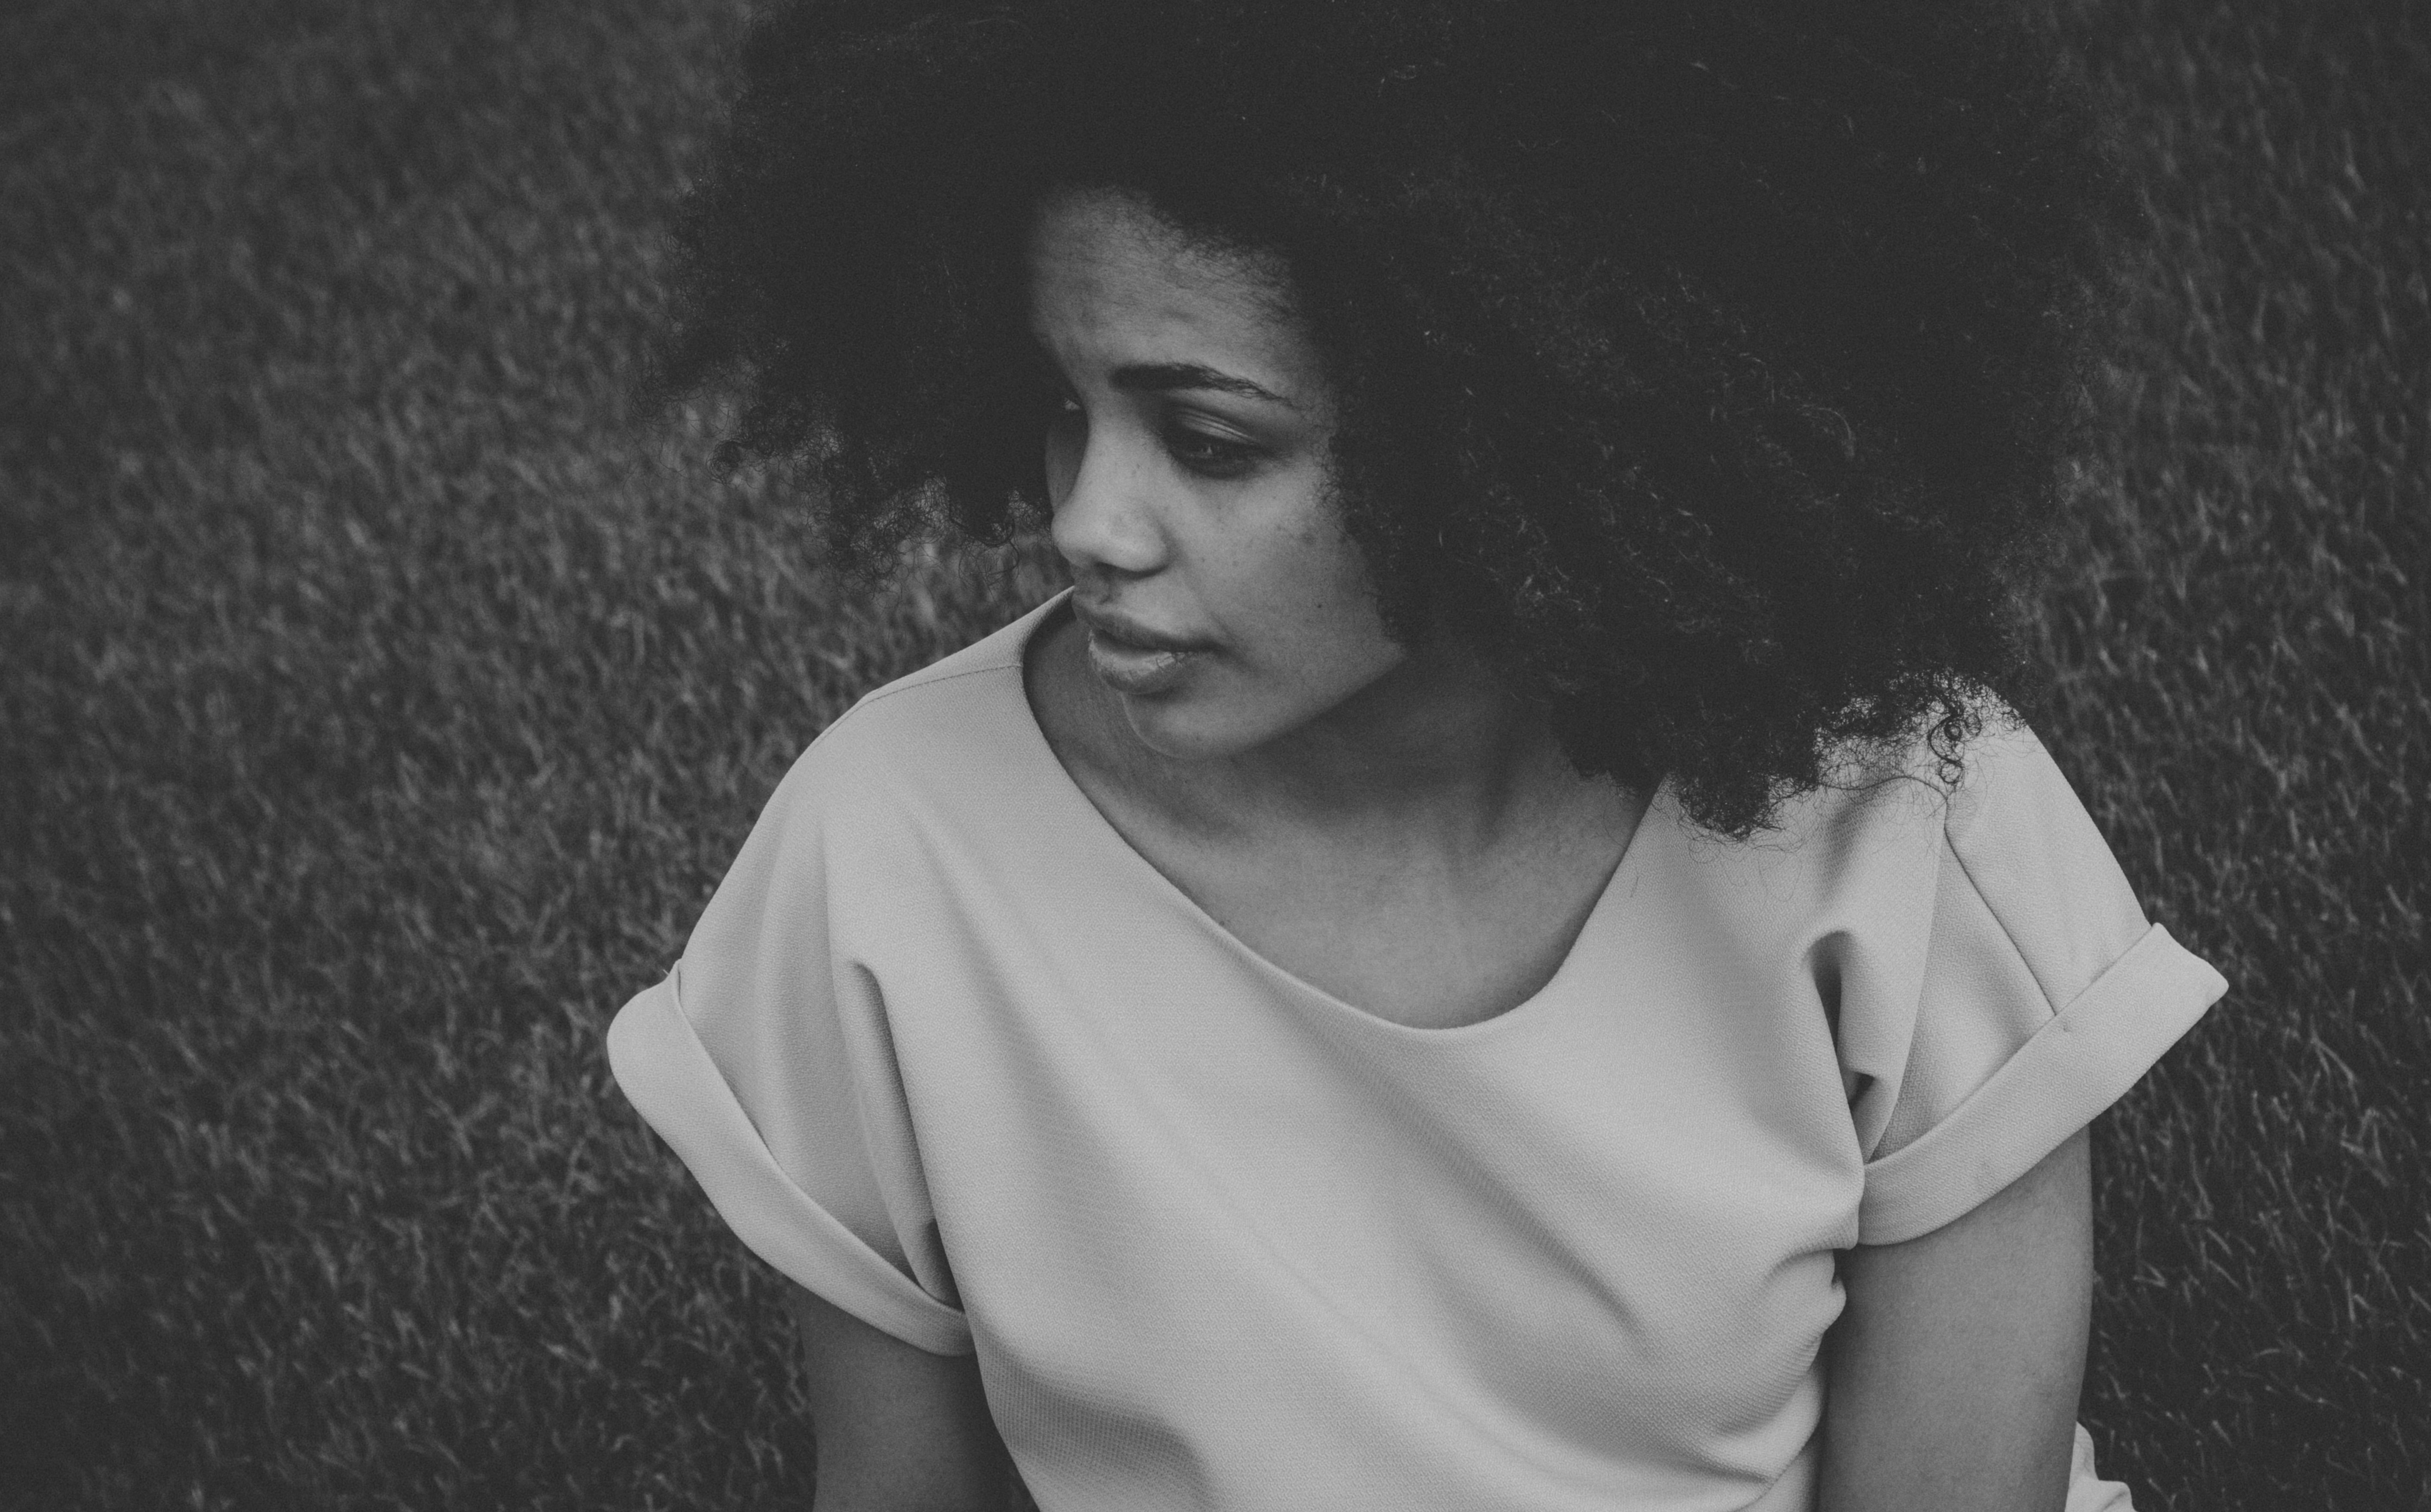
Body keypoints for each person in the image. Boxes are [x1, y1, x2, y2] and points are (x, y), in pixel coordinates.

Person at [607, 2, 2229, 1508]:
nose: (1085, 521)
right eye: (1060, 401)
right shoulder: (893, 854)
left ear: (1516, 419)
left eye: (1211, 438)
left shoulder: (1902, 828)